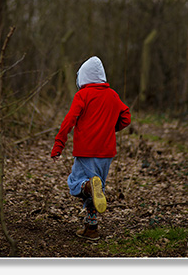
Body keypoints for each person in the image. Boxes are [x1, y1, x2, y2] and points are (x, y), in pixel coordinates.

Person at [50, 56, 131, 241]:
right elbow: (126, 117)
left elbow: (69, 120)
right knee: (97, 192)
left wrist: (58, 145)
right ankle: (91, 229)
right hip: (106, 153)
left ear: (83, 78)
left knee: (75, 183)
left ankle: (87, 186)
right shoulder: (113, 95)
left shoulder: (82, 95)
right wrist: (110, 129)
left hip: (86, 151)